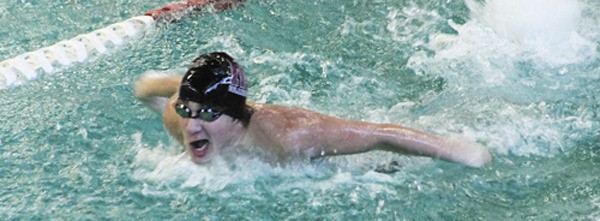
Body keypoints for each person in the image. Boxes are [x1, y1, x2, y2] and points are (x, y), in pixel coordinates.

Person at [134, 52, 492, 167]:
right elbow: (147, 90)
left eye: (209, 114)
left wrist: (459, 151)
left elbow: (381, 134)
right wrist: (181, 94)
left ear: (235, 115)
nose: (192, 126)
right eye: (186, 108)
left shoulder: (290, 135)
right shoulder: (181, 121)